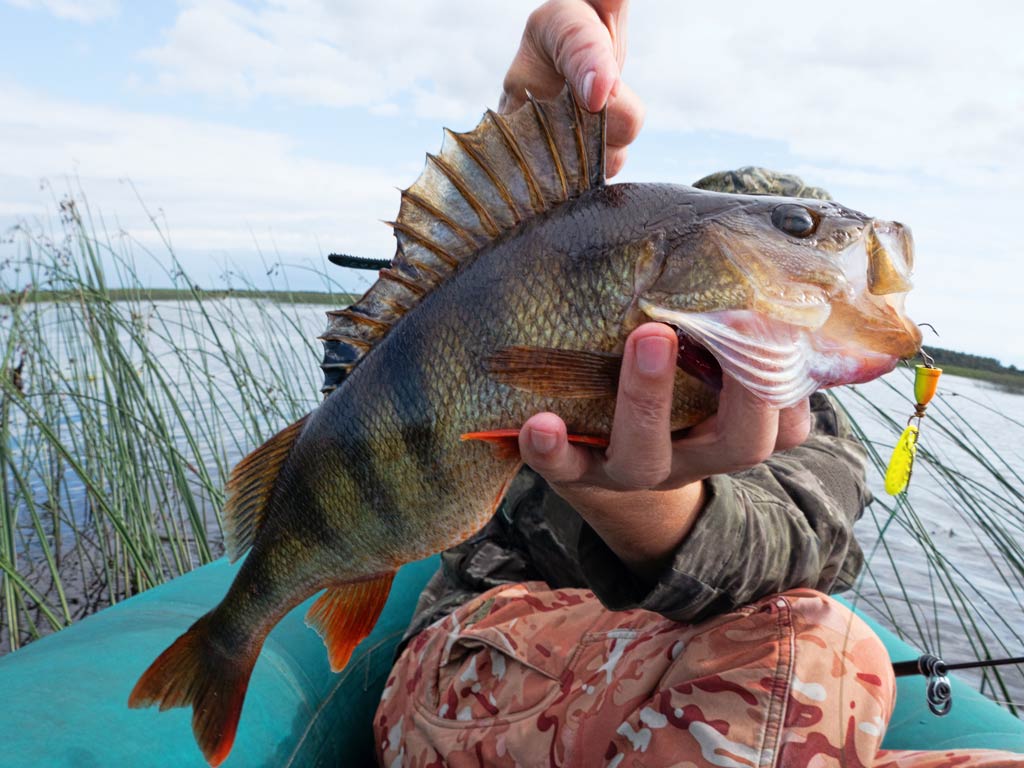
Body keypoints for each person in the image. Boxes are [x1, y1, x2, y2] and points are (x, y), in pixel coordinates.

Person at [374, 2, 1024, 765]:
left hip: (709, 683)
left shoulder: (819, 435)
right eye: (793, 232)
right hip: (484, 643)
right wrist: (528, 167)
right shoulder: (579, 336)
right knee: (808, 656)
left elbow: (786, 547)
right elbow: (397, 388)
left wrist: (648, 502)